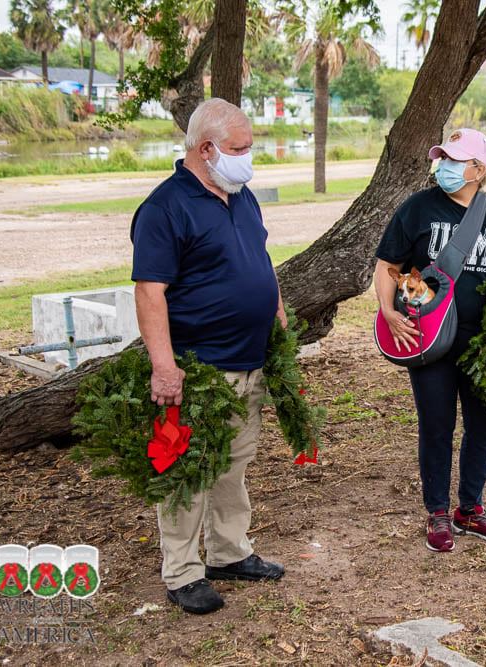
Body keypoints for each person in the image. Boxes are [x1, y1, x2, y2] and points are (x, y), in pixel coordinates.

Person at [130, 98, 287, 614]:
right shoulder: (165, 208)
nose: (249, 158)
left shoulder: (241, 195)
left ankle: (228, 551)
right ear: (206, 149)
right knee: (188, 470)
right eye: (240, 149)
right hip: (200, 367)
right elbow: (150, 291)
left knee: (233, 466)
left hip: (250, 360)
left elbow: (260, 261)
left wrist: (278, 318)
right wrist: (163, 365)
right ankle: (182, 571)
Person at [373, 128, 486, 552]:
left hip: (485, 346)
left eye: (455, 161)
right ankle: (437, 512)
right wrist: (388, 311)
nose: (444, 167)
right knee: (437, 425)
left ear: (479, 169)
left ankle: (471, 510)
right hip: (431, 340)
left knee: (483, 426)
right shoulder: (418, 208)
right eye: (442, 158)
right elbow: (387, 263)